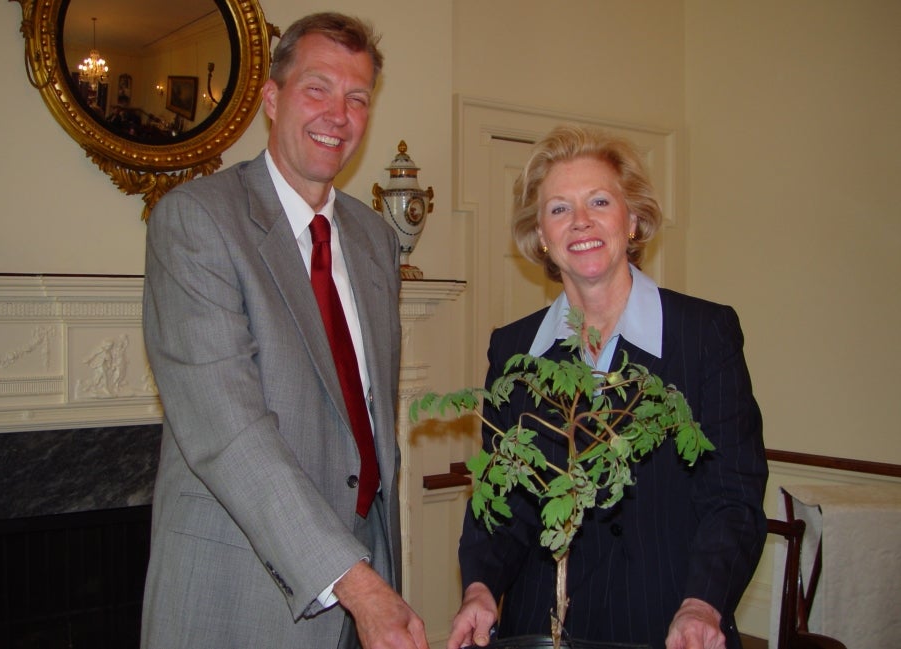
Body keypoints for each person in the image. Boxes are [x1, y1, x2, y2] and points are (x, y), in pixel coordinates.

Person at [140, 12, 427, 649]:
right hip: (242, 587)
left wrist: (375, 570)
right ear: (272, 99)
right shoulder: (196, 222)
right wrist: (356, 582)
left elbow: (366, 420)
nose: (339, 114)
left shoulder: (377, 239)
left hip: (368, 564)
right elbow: (227, 429)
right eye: (317, 88)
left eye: (357, 98)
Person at [448, 126, 767, 649]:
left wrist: (703, 602)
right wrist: (480, 587)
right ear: (542, 237)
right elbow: (501, 499)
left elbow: (733, 497)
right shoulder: (514, 348)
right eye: (559, 209)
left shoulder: (703, 334)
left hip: (669, 624)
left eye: (599, 201)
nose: (581, 222)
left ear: (633, 218)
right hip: (542, 627)